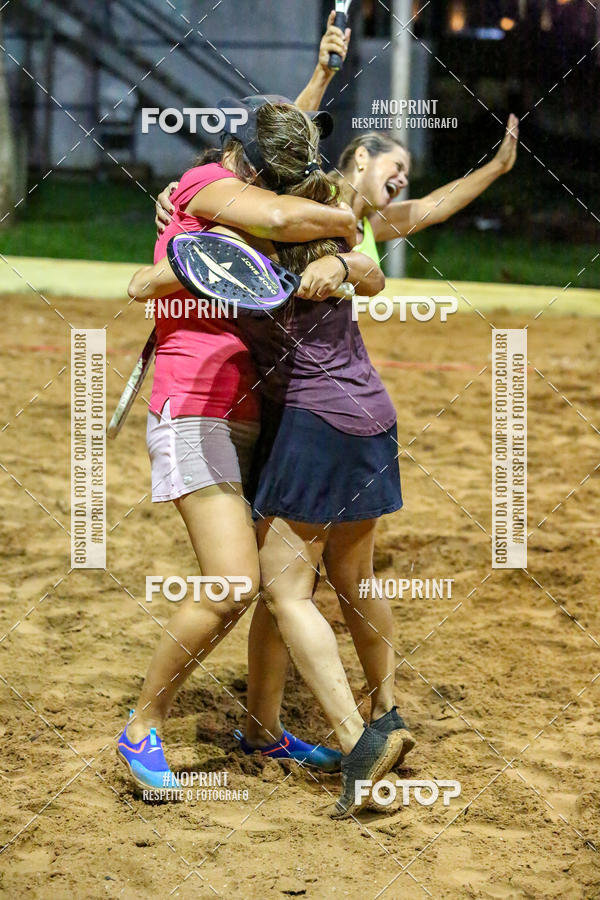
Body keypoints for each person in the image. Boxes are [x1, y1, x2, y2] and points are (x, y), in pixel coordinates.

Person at [120, 97, 404, 817]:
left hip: (267, 414)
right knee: (231, 583)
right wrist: (340, 222)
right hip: (196, 406)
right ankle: (141, 727)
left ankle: (263, 728)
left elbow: (358, 261)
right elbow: (147, 283)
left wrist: (346, 248)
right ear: (245, 164)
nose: (284, 184)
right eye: (274, 171)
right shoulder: (205, 192)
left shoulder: (278, 199)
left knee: (285, 583)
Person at [156, 16, 519, 268]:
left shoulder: (366, 227)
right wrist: (323, 73)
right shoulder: (315, 197)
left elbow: (435, 204)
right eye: (397, 166)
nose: (404, 179)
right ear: (363, 157)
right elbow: (279, 142)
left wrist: (498, 168)